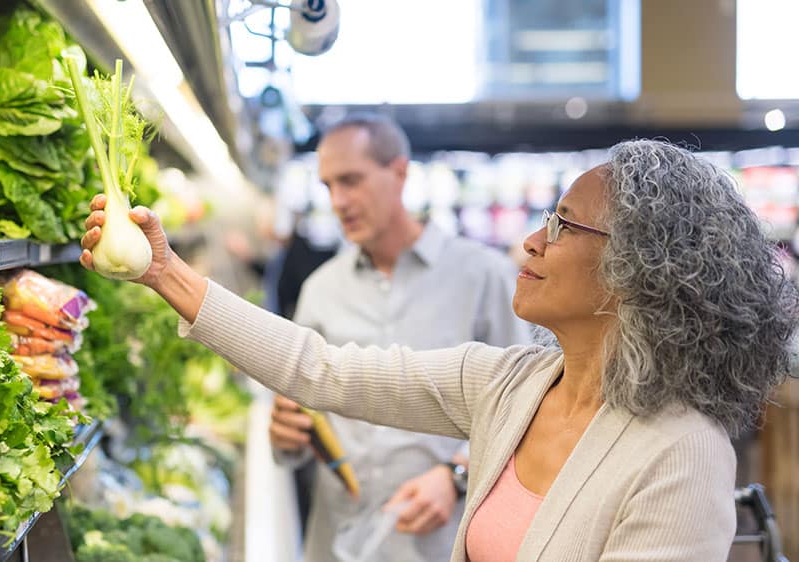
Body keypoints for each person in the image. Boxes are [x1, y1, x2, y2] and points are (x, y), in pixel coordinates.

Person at [80, 139, 799, 561]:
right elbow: (323, 369)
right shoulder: (509, 385)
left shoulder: (683, 451)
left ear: (640, 268)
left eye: (565, 225)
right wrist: (164, 272)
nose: (532, 240)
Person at [268, 113, 529, 562]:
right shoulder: (321, 290)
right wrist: (286, 436)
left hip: (440, 543)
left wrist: (456, 475)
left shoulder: (485, 277)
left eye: (351, 180)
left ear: (400, 173)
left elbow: (525, 411)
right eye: (328, 186)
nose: (339, 201)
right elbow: (303, 417)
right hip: (338, 541)